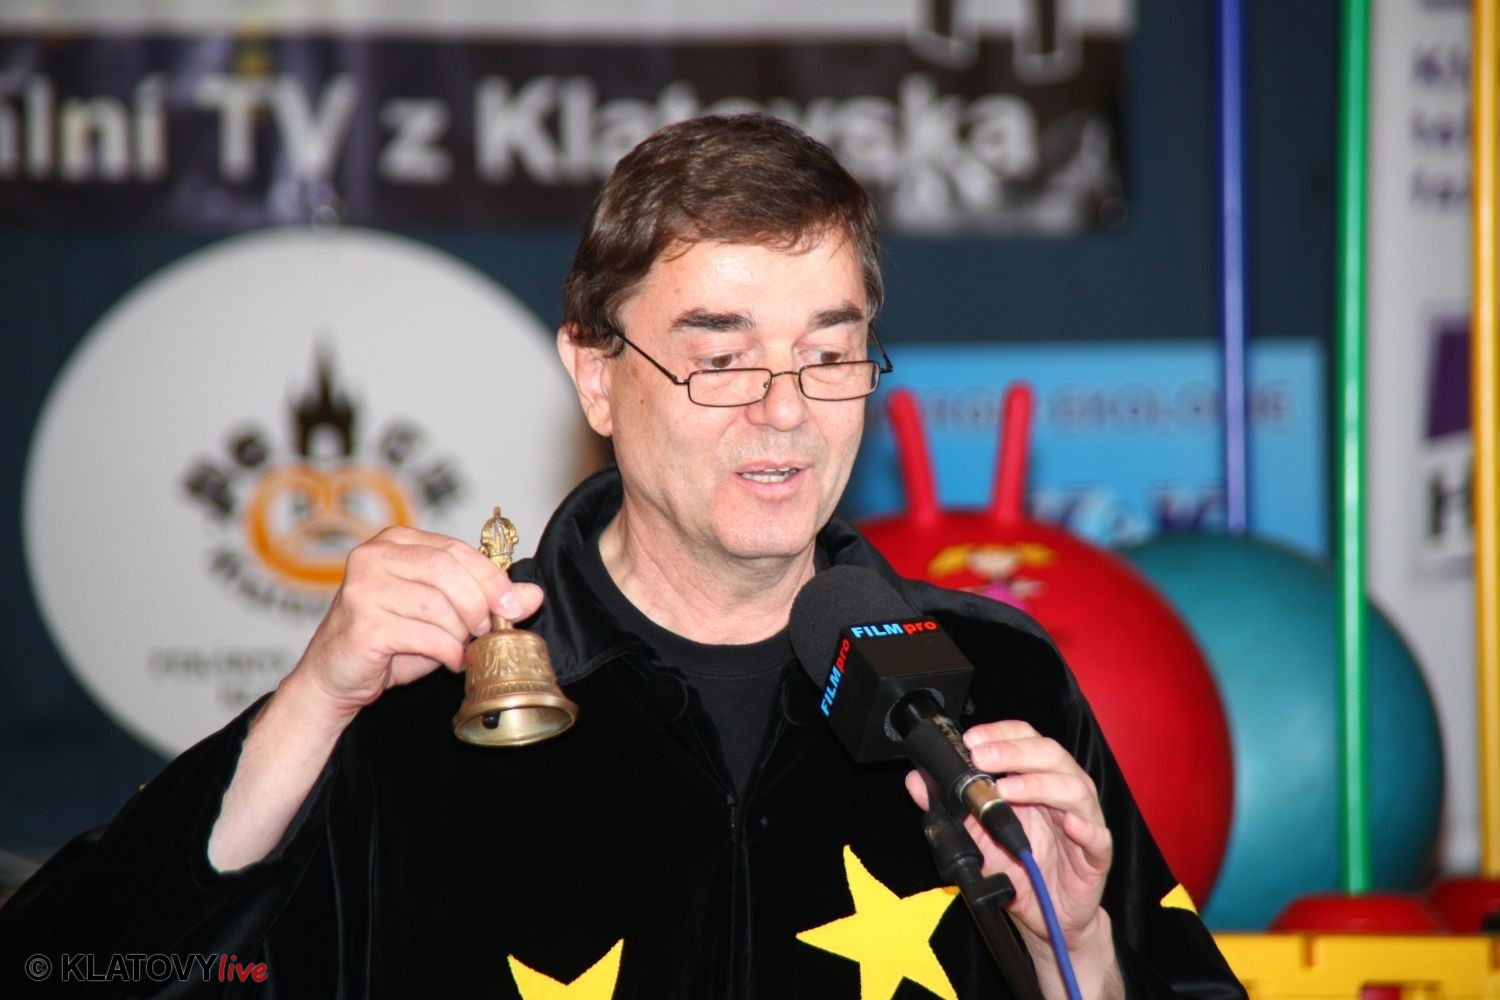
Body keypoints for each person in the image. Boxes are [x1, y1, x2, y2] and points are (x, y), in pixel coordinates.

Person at [2, 114, 1243, 999]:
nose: (785, 409)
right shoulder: (425, 694)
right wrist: (310, 705)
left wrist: (1081, 950)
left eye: (828, 353)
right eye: (720, 356)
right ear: (596, 374)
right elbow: (70, 965)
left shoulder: (994, 680)